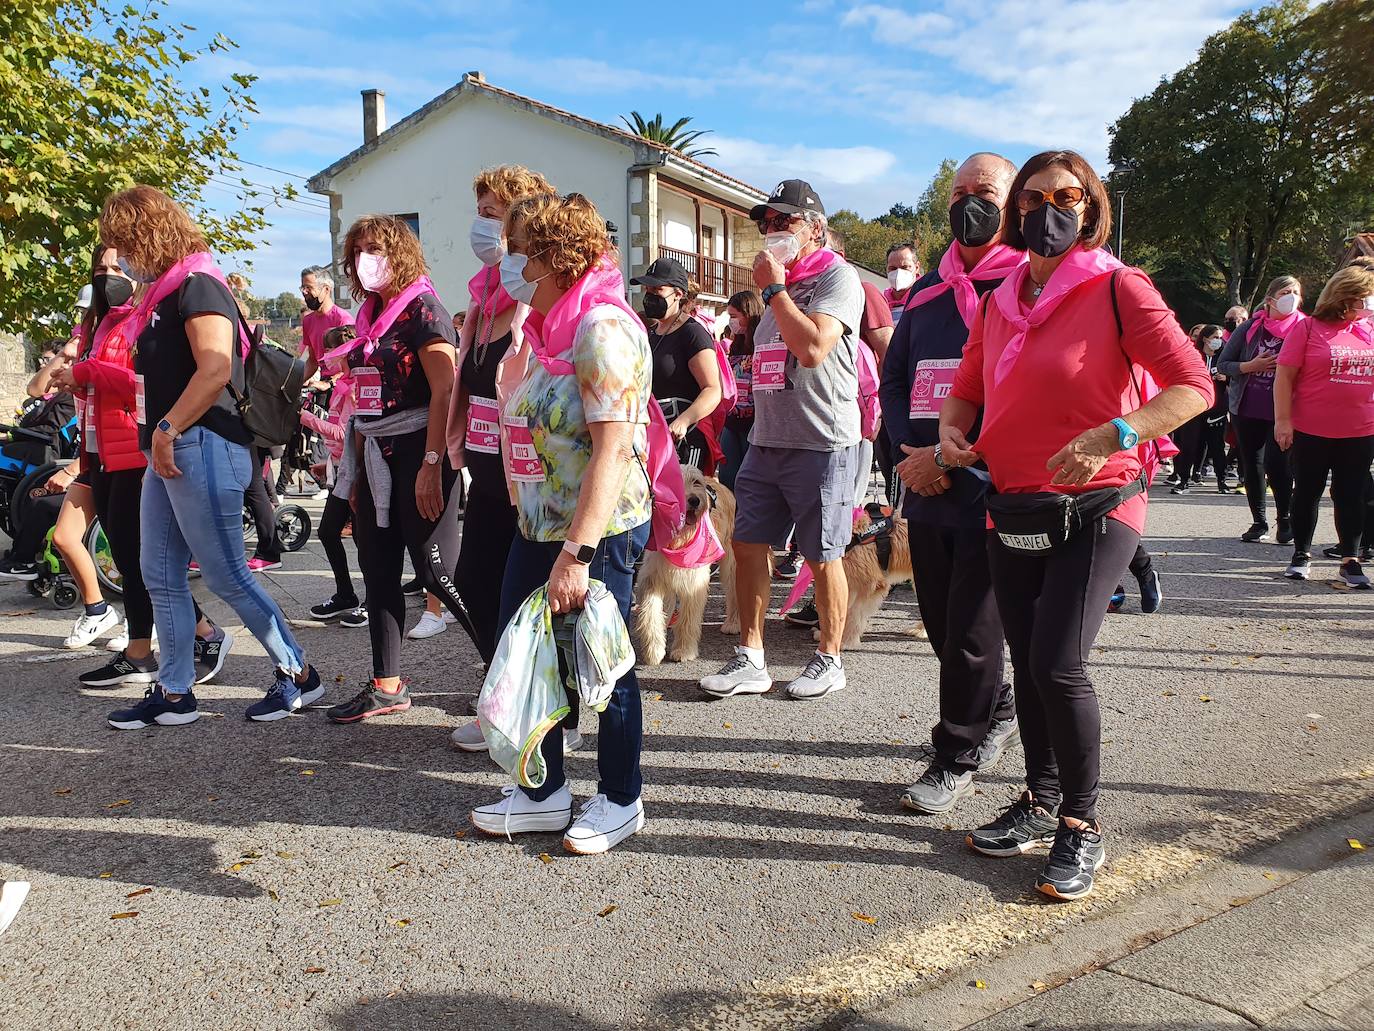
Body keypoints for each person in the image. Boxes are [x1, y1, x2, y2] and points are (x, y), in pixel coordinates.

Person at [940, 151, 1212, 900]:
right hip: (1015, 503)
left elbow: (1195, 385)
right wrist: (951, 434)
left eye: (1066, 197)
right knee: (1027, 659)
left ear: (1091, 209)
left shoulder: (1120, 287)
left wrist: (1113, 436)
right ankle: (1039, 798)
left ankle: (1081, 824)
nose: (1047, 210)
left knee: (1058, 662)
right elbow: (966, 390)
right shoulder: (999, 300)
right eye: (1031, 199)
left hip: (1101, 503)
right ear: (1013, 212)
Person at [467, 191, 652, 854]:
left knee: (601, 661)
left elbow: (611, 447)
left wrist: (577, 552)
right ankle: (543, 790)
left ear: (551, 257)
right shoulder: (543, 333)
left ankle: (622, 796)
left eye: (519, 251)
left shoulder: (601, 329)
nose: (507, 263)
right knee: (528, 655)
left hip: (592, 530)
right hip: (539, 524)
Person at [96, 185, 321, 727]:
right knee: (159, 574)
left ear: (147, 234)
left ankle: (299, 675)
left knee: (226, 575)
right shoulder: (165, 293)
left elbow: (216, 368)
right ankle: (175, 692)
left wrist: (168, 427)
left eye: (124, 243)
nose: (119, 259)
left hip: (202, 445)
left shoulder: (198, 286)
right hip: (171, 449)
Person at [878, 151, 1028, 815]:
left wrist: (949, 457)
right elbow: (893, 380)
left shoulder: (1026, 286)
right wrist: (911, 455)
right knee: (940, 623)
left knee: (970, 630)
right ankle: (997, 707)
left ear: (1013, 202)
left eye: (985, 191)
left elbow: (1025, 388)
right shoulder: (928, 294)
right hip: (924, 480)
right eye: (959, 192)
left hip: (990, 484)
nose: (970, 201)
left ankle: (954, 753)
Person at [699, 178, 864, 702]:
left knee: (822, 553)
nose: (772, 231)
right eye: (766, 223)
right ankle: (750, 655)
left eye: (783, 222)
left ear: (815, 228)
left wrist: (774, 290)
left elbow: (814, 348)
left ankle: (829, 657)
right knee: (746, 544)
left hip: (823, 442)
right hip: (768, 441)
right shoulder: (780, 293)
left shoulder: (837, 279)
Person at [324, 214, 471, 724]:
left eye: (376, 249)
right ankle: (387, 684)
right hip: (376, 453)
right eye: (358, 249)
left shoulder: (424, 311)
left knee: (439, 571)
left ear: (402, 254)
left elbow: (445, 391)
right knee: (378, 567)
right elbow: (366, 399)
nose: (366, 258)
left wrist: (432, 465)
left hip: (419, 451)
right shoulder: (368, 317)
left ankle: (506, 675)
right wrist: (358, 475)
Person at [443, 165, 562, 750]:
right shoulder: (483, 293)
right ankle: (506, 691)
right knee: (475, 579)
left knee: (523, 596)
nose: (481, 225)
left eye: (492, 214)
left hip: (536, 477)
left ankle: (535, 711)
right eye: (481, 212)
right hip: (490, 470)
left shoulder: (540, 299)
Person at [1274, 262, 1374, 587]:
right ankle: (1301, 554)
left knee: (1351, 494)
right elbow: (1284, 377)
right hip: (1311, 428)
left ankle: (1351, 560)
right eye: (1365, 297)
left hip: (1360, 429)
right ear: (1346, 297)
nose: (1369, 303)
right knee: (1307, 492)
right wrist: (1283, 421)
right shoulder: (1307, 328)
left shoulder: (1369, 330)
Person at [1218, 277, 1304, 542]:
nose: (1292, 296)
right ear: (1271, 299)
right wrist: (1249, 366)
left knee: (1278, 464)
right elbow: (1224, 364)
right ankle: (1259, 521)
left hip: (1286, 409)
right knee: (1252, 464)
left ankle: (1285, 519)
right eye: (1286, 292)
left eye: (1296, 292)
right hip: (1247, 407)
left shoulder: (1305, 327)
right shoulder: (1250, 328)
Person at [631, 256, 721, 472]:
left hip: (687, 439)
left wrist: (684, 421)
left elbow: (713, 389)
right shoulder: (651, 334)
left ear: (678, 294)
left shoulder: (692, 333)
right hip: (655, 436)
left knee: (685, 502)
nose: (649, 297)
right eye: (647, 291)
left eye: (657, 291)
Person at [1173, 325, 1236, 496]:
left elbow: (1236, 377)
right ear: (1205, 338)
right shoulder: (1195, 356)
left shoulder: (1224, 358)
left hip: (1217, 409)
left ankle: (1222, 481)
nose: (1218, 340)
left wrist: (1227, 377)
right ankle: (1183, 480)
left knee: (1217, 447)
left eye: (1220, 337)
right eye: (1215, 336)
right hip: (1194, 408)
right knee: (1189, 445)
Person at [719, 289, 762, 490]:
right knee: (728, 476)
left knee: (750, 479)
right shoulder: (734, 346)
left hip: (753, 423)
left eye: (734, 317)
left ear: (748, 315)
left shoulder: (761, 343)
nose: (731, 322)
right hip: (731, 421)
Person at [884, 243, 922, 323]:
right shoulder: (881, 303)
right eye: (892, 268)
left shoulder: (925, 299)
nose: (898, 273)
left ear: (917, 267)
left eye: (905, 267)